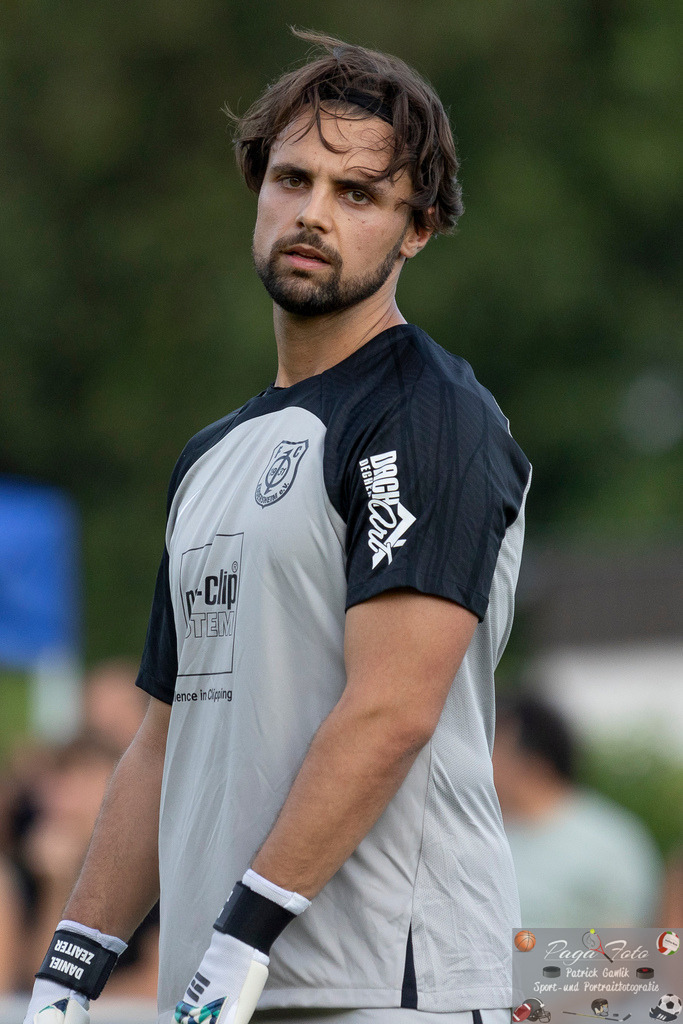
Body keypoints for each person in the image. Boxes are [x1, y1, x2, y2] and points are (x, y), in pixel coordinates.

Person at [23, 28, 532, 1024]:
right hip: (229, 990)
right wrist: (67, 973)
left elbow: (392, 710)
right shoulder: (210, 456)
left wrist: (238, 940)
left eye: (357, 194)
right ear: (256, 188)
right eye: (292, 179)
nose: (312, 214)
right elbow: (162, 745)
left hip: (386, 986)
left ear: (415, 229)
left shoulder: (426, 414)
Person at [492, 692, 663, 927]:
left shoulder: (610, 842)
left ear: (533, 761)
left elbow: (623, 953)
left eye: (492, 745)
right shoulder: (479, 834)